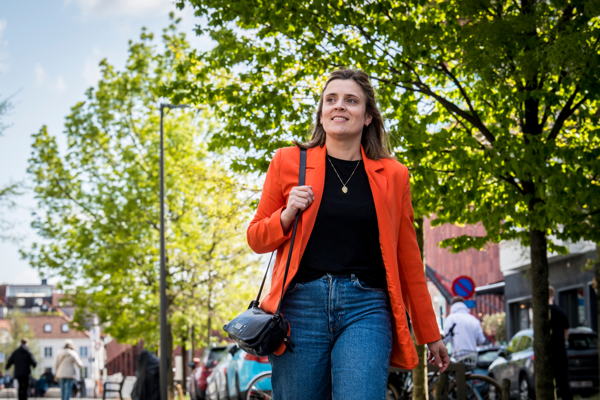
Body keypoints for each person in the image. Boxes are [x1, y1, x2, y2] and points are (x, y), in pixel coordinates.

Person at [247, 69, 449, 400]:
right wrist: (286, 214)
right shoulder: (288, 161)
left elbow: (409, 260)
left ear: (368, 116)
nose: (339, 106)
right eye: (331, 99)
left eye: (351, 100)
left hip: (366, 307)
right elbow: (256, 238)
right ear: (321, 113)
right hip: (300, 308)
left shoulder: (393, 175)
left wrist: (430, 333)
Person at [549, 286, 572, 400]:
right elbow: (566, 330)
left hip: (548, 352)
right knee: (563, 382)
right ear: (553, 296)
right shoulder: (560, 312)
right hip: (560, 351)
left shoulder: (542, 314)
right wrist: (563, 341)